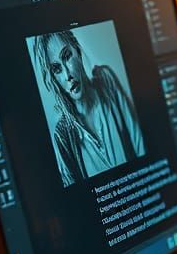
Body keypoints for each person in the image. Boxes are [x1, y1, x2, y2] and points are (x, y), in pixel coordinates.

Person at [32, 28, 145, 187]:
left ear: (77, 51)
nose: (67, 75)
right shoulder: (63, 135)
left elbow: (140, 145)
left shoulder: (107, 82)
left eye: (67, 56)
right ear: (53, 78)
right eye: (56, 69)